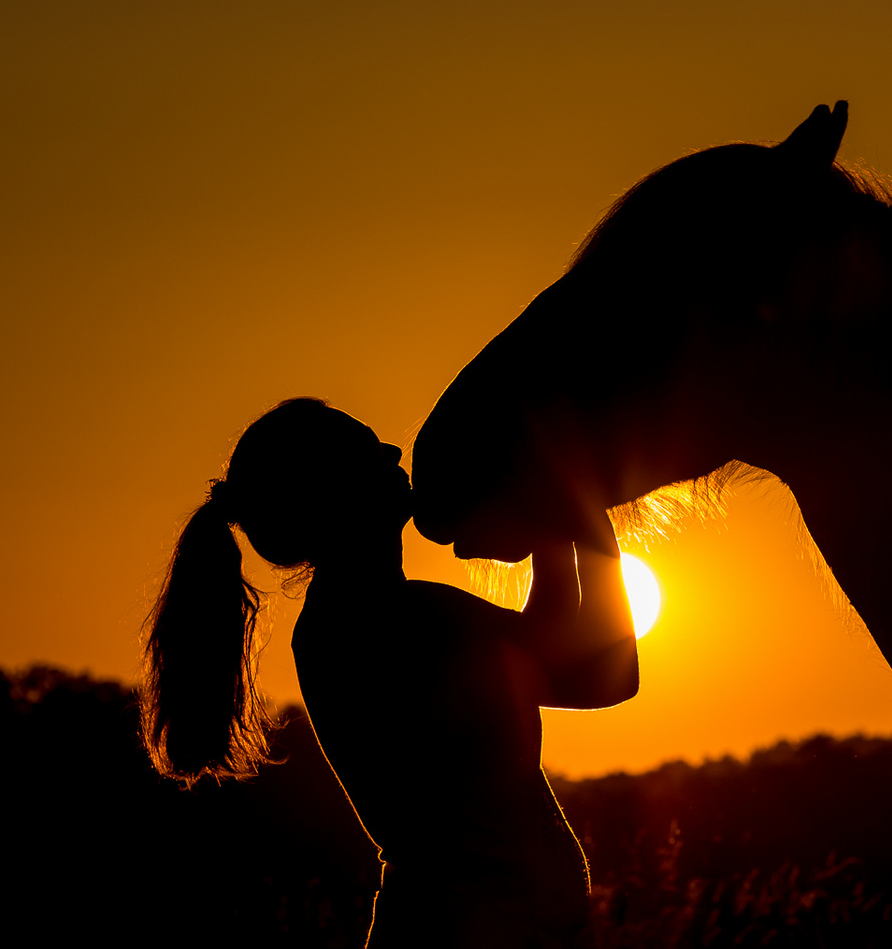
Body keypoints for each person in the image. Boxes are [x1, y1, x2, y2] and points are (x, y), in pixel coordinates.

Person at [140, 397, 638, 947]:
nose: (394, 450)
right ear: (333, 490)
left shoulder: (359, 619)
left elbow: (560, 651)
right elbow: (601, 675)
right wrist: (578, 509)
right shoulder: (399, 620)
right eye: (368, 447)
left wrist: (558, 521)